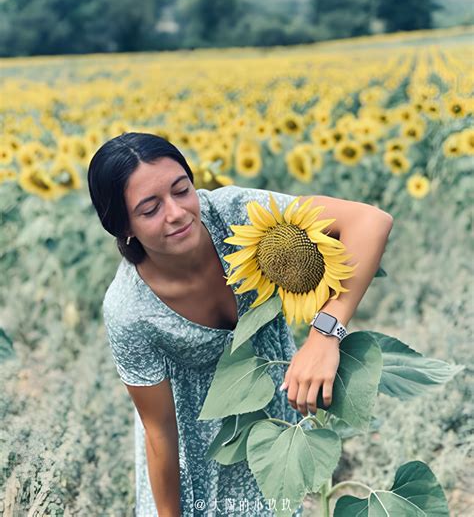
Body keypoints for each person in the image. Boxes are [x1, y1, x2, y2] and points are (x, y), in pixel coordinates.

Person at [87, 132, 393, 517]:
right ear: (122, 226)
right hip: (199, 458)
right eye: (150, 210)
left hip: (274, 425)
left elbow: (370, 221)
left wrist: (323, 335)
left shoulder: (236, 214)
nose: (177, 212)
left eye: (182, 190)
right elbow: (160, 433)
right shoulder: (129, 309)